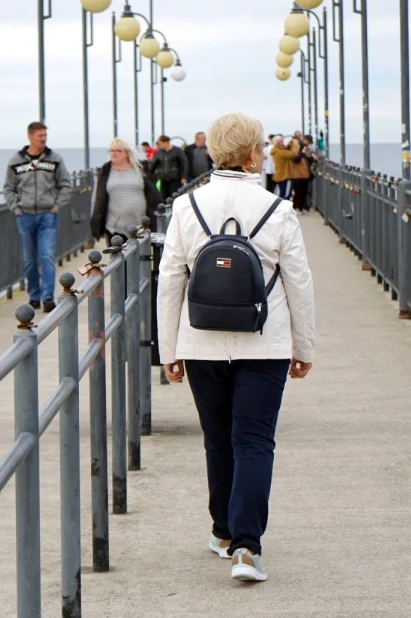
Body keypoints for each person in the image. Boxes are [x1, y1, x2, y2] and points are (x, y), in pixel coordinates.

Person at [157, 112, 316, 583]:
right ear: (252, 154)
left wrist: (170, 349)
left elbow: (170, 283)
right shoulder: (278, 210)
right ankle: (248, 547)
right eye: (261, 150)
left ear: (212, 153)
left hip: (201, 341)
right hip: (265, 342)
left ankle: (223, 532)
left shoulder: (186, 208)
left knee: (217, 438)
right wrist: (303, 346)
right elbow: (298, 285)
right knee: (253, 440)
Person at [3, 121, 73, 313]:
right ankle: (34, 295)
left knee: (47, 256)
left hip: (47, 215)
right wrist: (16, 209)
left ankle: (47, 297)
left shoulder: (54, 159)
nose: (43, 139)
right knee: (29, 259)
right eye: (39, 136)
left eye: (45, 136)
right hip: (25, 216)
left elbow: (66, 185)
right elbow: (8, 188)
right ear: (30, 136)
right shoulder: (16, 161)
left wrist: (56, 207)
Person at [90, 137, 162, 243]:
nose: (114, 153)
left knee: (140, 258)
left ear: (127, 153)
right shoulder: (105, 172)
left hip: (140, 225)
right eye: (111, 150)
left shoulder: (140, 169)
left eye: (118, 150)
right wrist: (95, 221)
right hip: (115, 227)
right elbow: (97, 197)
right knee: (119, 258)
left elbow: (152, 192)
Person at [153, 135, 189, 202]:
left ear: (166, 142)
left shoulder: (178, 151)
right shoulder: (159, 153)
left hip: (175, 178)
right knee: (164, 197)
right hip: (163, 179)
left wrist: (184, 176)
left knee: (174, 196)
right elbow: (153, 165)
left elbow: (184, 163)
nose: (159, 146)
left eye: (160, 143)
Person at [269, 135, 293, 200]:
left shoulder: (276, 150)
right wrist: (296, 146)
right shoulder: (279, 151)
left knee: (281, 192)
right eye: (282, 141)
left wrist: (288, 145)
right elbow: (291, 154)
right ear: (278, 142)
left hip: (279, 174)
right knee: (284, 193)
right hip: (283, 175)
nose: (283, 142)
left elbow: (285, 150)